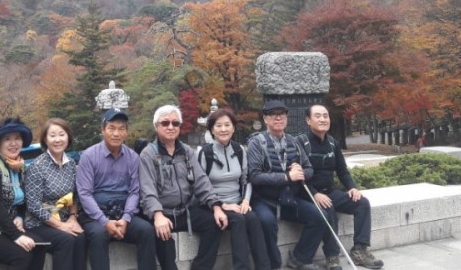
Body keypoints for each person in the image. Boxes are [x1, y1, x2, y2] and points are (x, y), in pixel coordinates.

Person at [139, 105, 229, 270]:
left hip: (185, 211)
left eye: (175, 123)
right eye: (165, 123)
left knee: (214, 223)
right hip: (162, 212)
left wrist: (216, 206)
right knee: (163, 240)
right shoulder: (148, 154)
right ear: (156, 126)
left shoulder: (186, 151)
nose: (171, 127)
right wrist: (157, 215)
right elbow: (147, 190)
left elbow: (201, 181)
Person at [247, 100, 328, 270]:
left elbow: (309, 169)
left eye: (282, 114)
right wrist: (287, 177)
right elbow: (254, 176)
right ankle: (273, 265)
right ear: (265, 119)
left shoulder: (293, 142)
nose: (278, 118)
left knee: (320, 217)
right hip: (264, 199)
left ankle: (300, 259)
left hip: (289, 198)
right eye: (273, 114)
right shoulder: (256, 143)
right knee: (267, 222)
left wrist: (300, 171)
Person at [302, 104, 384, 269]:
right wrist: (315, 194)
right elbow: (299, 177)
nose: (323, 119)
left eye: (325, 116)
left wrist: (352, 187)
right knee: (328, 208)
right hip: (309, 194)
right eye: (317, 116)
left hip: (330, 191)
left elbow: (342, 171)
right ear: (308, 120)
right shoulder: (301, 143)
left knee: (362, 203)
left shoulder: (333, 143)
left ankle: (360, 250)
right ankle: (332, 256)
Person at [75, 108, 156, 270]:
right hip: (95, 216)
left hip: (123, 214)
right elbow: (84, 193)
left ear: (126, 132)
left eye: (121, 129)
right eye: (111, 128)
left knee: (146, 230)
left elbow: (134, 191)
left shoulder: (133, 157)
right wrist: (104, 221)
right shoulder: (89, 156)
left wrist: (126, 219)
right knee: (98, 235)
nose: (116, 134)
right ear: (103, 130)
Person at [197, 108, 272, 270]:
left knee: (253, 218)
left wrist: (245, 200)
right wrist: (222, 205)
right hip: (214, 204)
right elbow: (200, 186)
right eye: (218, 126)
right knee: (239, 220)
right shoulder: (205, 153)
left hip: (237, 203)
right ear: (212, 130)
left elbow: (246, 179)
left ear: (233, 128)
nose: (223, 129)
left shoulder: (239, 150)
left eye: (227, 125)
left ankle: (264, 266)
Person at [0, 117, 46, 269]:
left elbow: (22, 201)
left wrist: (19, 217)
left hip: (6, 226)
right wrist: (16, 236)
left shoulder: (21, 168)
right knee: (22, 255)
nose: (13, 143)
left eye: (17, 138)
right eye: (7, 139)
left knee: (39, 246)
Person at [24, 118, 87, 270]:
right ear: (45, 140)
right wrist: (61, 226)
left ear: (68, 137)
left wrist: (73, 218)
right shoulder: (37, 166)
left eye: (61, 134)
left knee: (81, 237)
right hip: (39, 223)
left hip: (64, 218)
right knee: (66, 239)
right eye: (52, 135)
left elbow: (74, 196)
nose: (57, 139)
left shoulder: (71, 164)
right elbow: (33, 205)